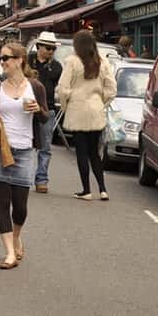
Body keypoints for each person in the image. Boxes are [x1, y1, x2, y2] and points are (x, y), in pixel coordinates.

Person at [0, 41, 48, 270]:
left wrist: (38, 110)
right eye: (0, 58)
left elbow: (45, 119)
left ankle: (16, 235)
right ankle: (9, 252)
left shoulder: (36, 87)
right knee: (3, 202)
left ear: (20, 60)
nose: (2, 62)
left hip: (25, 150)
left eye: (6, 58)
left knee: (20, 206)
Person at [57, 30, 117, 201]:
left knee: (81, 152)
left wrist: (65, 103)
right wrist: (101, 101)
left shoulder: (72, 62)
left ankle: (86, 190)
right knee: (94, 152)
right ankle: (103, 189)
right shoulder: (103, 62)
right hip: (96, 109)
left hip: (77, 109)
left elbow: (63, 87)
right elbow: (112, 89)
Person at [30, 33, 63, 194]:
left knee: (45, 146)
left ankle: (41, 179)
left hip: (47, 109)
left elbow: (58, 89)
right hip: (26, 108)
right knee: (25, 144)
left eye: (53, 48)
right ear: (39, 47)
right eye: (48, 48)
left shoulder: (57, 67)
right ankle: (22, 176)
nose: (51, 51)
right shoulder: (27, 61)